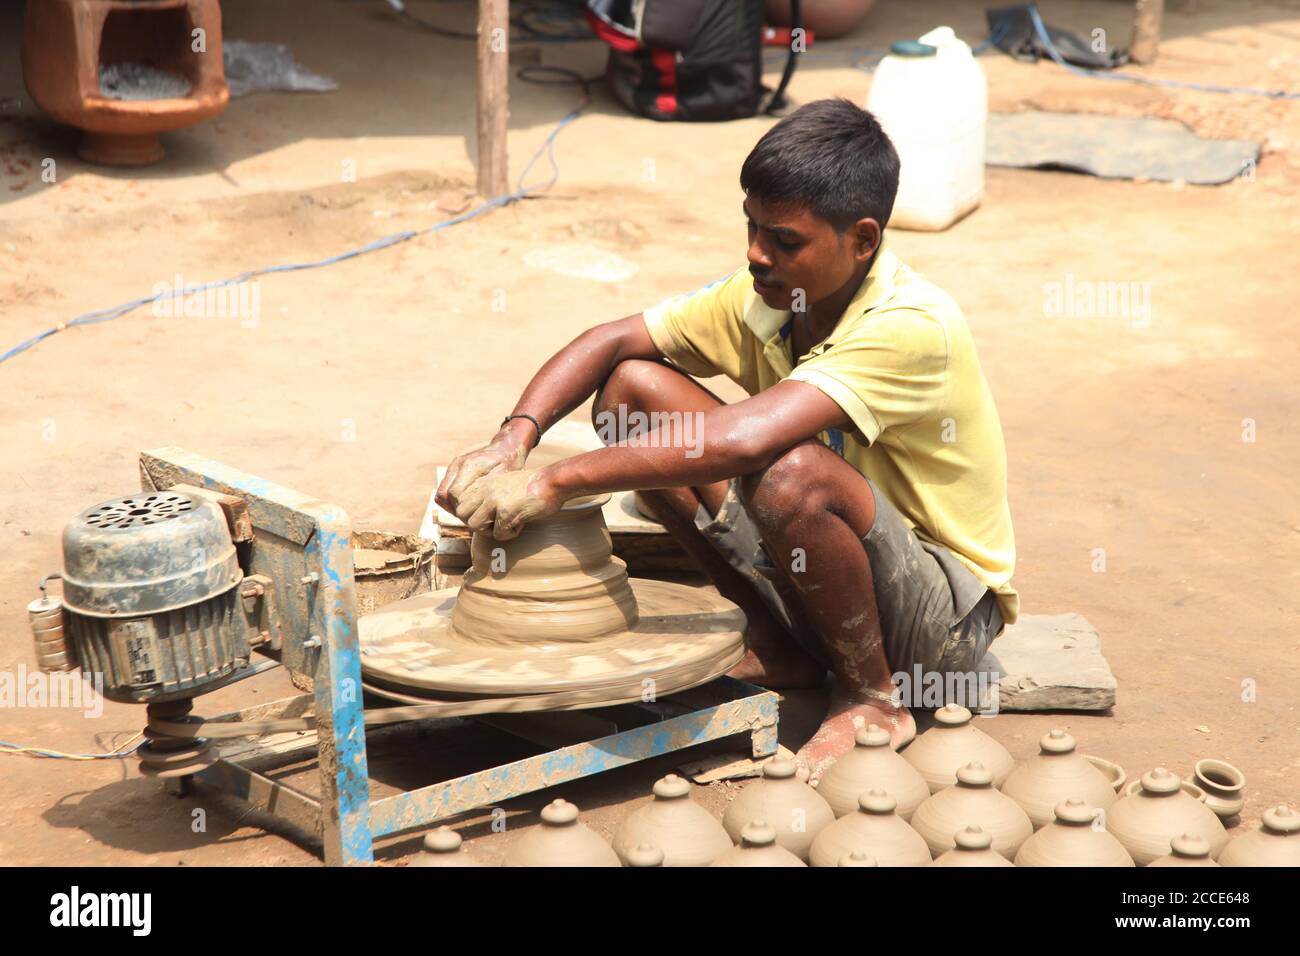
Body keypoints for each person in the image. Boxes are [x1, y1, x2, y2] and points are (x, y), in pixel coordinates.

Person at [436, 98, 1017, 780]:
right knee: (633, 389)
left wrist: (555, 480)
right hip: (831, 572)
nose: (756, 254)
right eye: (751, 227)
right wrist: (516, 440)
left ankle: (873, 696)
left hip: (943, 627)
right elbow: (612, 340)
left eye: (785, 241)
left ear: (862, 240)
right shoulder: (766, 295)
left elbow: (744, 440)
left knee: (790, 473)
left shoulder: (912, 324)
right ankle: (777, 641)